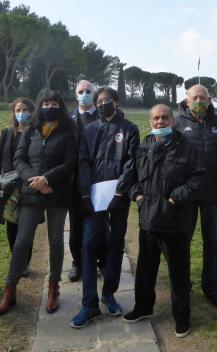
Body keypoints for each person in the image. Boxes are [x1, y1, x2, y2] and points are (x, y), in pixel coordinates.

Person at [122, 104, 203, 339]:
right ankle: (143, 307)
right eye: (156, 118)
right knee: (146, 269)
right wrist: (137, 195)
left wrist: (177, 198)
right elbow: (133, 176)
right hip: (148, 220)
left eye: (165, 118)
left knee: (178, 273)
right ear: (150, 121)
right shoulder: (144, 146)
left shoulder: (187, 147)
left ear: (172, 121)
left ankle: (182, 317)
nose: (160, 122)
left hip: (175, 221)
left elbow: (198, 178)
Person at [0, 89, 77, 315]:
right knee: (22, 241)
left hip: (57, 193)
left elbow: (71, 162)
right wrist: (36, 180)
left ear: (60, 106)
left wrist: (47, 178)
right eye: (46, 103)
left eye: (54, 103)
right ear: (40, 106)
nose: (49, 107)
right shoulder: (31, 130)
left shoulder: (69, 131)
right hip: (31, 192)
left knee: (56, 241)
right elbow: (18, 159)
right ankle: (9, 290)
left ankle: (53, 289)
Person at [70, 87, 140, 328]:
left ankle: (109, 293)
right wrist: (86, 193)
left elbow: (131, 162)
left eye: (106, 100)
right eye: (99, 101)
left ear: (116, 102)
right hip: (94, 198)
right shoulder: (89, 130)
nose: (101, 104)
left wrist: (121, 192)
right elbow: (83, 161)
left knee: (116, 245)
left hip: (118, 197)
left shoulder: (130, 129)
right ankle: (89, 304)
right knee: (88, 245)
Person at [174, 84, 217, 308]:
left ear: (209, 100)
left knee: (212, 242)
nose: (199, 101)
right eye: (194, 97)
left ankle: (211, 287)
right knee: (183, 241)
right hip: (188, 192)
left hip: (213, 191)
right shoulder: (177, 122)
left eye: (203, 98)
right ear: (187, 100)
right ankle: (183, 285)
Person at [0, 97, 35, 287]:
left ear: (31, 112)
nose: (21, 112)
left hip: (27, 186)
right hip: (8, 187)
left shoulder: (36, 134)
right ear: (13, 113)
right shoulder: (7, 133)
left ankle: (24, 262)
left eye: (25, 109)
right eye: (18, 109)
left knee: (26, 226)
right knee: (11, 224)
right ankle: (16, 259)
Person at [67, 80, 106, 282]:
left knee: (100, 223)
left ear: (94, 93)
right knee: (76, 224)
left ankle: (101, 261)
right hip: (75, 179)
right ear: (76, 95)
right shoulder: (68, 118)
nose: (84, 94)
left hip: (99, 179)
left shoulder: (103, 116)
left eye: (88, 91)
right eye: (81, 91)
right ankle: (77, 263)